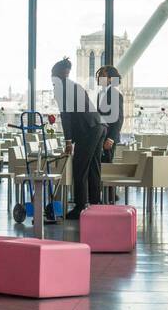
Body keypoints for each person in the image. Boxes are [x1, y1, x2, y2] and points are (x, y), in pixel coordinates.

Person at [51, 57, 105, 219]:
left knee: (79, 168)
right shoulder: (75, 85)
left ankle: (80, 207)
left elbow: (66, 116)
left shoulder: (60, 88)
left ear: (57, 75)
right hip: (99, 126)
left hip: (88, 130)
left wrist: (68, 141)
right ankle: (95, 204)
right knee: (94, 168)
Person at [96, 65, 124, 165]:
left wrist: (111, 138)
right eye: (99, 75)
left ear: (110, 79)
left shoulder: (115, 94)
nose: (99, 77)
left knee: (106, 165)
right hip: (101, 136)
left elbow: (119, 118)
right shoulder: (100, 94)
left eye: (102, 75)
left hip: (109, 137)